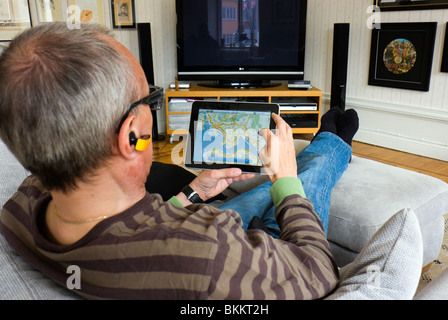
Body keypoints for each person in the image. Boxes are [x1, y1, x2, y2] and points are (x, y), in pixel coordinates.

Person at [0, 23, 358, 300]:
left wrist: (190, 194)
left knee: (269, 191)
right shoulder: (207, 254)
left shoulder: (18, 209)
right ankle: (332, 144)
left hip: (199, 242)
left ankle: (327, 144)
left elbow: (125, 231)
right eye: (149, 99)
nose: (153, 108)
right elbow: (319, 272)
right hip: (253, 268)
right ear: (130, 137)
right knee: (296, 181)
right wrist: (285, 181)